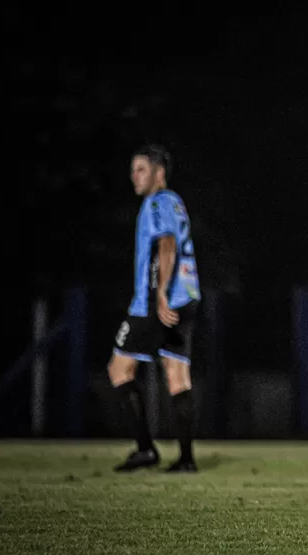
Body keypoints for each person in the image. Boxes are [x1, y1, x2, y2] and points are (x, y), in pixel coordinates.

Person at [108, 144, 202, 473]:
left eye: (141, 169)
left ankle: (146, 449)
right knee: (177, 377)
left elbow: (167, 244)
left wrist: (160, 293)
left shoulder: (158, 202)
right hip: (188, 296)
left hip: (156, 301)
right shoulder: (176, 202)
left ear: (159, 173)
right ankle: (187, 459)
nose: (134, 176)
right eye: (133, 169)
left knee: (119, 371)